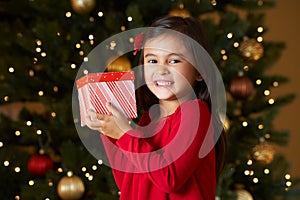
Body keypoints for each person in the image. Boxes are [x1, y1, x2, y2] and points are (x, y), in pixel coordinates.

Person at [85, 15, 227, 200]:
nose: (161, 70)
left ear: (199, 71)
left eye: (174, 61)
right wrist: (108, 129)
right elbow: (128, 180)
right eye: (152, 61)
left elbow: (169, 178)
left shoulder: (196, 113)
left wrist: (124, 133)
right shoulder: (148, 121)